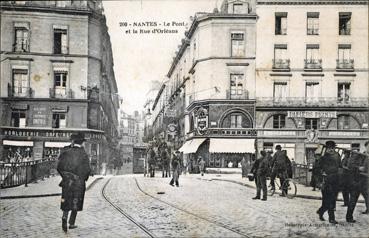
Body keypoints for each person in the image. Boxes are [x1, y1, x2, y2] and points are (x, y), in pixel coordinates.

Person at [57, 132, 91, 233]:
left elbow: (59, 167)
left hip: (67, 181)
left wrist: (65, 176)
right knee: (76, 200)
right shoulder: (83, 153)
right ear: (81, 142)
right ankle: (71, 223)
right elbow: (87, 169)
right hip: (78, 182)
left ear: (73, 141)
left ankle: (64, 216)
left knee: (66, 200)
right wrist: (83, 178)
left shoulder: (65, 150)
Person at [317, 140, 341, 224]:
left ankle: (321, 211)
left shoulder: (337, 155)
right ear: (326, 148)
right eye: (329, 148)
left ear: (334, 148)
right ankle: (331, 218)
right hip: (326, 181)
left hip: (335, 180)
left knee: (330, 200)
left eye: (332, 148)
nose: (331, 149)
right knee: (329, 200)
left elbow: (340, 166)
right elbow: (318, 169)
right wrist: (321, 177)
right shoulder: (323, 157)